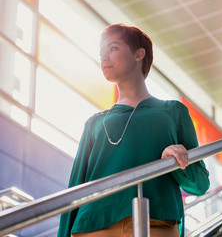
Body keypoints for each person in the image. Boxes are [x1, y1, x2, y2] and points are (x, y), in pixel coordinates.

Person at [57, 23, 210, 237]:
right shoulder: (94, 123)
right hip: (93, 227)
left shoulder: (173, 111)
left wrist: (174, 162)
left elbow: (200, 184)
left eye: (113, 48)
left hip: (156, 224)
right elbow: (74, 191)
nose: (104, 58)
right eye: (101, 53)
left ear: (139, 54)